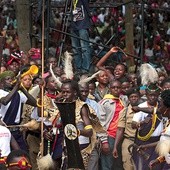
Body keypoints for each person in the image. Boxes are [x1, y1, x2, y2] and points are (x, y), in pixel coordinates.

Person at [131, 84, 163, 170]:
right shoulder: (141, 106)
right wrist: (141, 123)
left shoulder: (162, 106)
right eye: (150, 95)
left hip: (158, 142)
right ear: (146, 94)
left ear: (158, 95)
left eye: (155, 95)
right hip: (144, 143)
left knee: (157, 167)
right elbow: (133, 124)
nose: (152, 97)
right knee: (143, 167)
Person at [99, 80, 125, 170]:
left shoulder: (122, 102)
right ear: (110, 89)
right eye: (113, 87)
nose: (116, 89)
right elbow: (100, 123)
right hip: (109, 136)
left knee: (118, 165)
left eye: (118, 87)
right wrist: (104, 141)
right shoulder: (105, 102)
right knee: (107, 165)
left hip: (120, 136)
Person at [113, 88, 141, 170]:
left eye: (136, 96)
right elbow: (120, 130)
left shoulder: (144, 111)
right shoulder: (124, 112)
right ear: (128, 99)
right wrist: (115, 146)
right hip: (128, 141)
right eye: (132, 97)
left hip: (141, 142)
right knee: (127, 165)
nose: (134, 98)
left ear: (139, 97)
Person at [70, 0, 92, 73]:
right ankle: (78, 67)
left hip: (83, 25)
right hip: (74, 25)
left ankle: (85, 68)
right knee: (75, 48)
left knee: (84, 47)